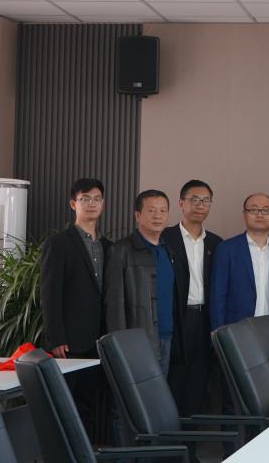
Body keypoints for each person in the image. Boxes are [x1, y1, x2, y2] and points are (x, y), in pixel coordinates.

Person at [39, 178, 110, 437]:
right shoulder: (58, 243)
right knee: (68, 404)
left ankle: (87, 450)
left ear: (103, 204)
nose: (91, 204)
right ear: (73, 204)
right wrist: (56, 337)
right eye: (85, 199)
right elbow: (49, 293)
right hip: (70, 341)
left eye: (96, 199)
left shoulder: (108, 246)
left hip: (100, 338)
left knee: (90, 402)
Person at [161, 179, 222, 417]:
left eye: (206, 200)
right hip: (177, 317)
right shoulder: (165, 238)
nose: (200, 205)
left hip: (204, 318)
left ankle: (191, 437)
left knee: (199, 380)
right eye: (194, 199)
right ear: (181, 203)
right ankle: (170, 437)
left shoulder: (216, 243)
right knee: (173, 378)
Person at [105, 189, 177, 375]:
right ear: (138, 215)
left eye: (163, 211)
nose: (158, 216)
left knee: (159, 391)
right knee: (138, 392)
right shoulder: (121, 250)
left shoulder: (168, 250)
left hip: (167, 336)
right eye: (151, 210)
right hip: (138, 340)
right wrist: (121, 343)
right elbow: (114, 304)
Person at [209, 193, 269, 330]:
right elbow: (217, 296)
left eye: (266, 210)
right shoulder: (226, 249)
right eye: (253, 209)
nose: (260, 214)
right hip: (237, 330)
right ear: (244, 215)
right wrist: (220, 334)